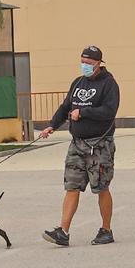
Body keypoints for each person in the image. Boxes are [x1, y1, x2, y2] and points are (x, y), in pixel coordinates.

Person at [41, 46, 120, 247]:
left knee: (101, 187)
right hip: (77, 144)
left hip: (99, 144)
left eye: (88, 63)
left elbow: (109, 111)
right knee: (72, 186)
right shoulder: (78, 82)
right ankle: (63, 231)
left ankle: (106, 230)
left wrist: (83, 112)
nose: (84, 65)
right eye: (82, 62)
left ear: (98, 63)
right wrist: (52, 125)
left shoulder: (109, 84)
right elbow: (65, 107)